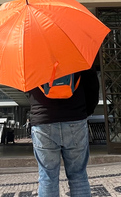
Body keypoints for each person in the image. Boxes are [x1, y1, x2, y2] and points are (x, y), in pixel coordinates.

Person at [27, 66, 99, 197]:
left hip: (43, 120)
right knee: (78, 175)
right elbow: (92, 85)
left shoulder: (29, 54)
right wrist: (84, 112)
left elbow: (25, 87)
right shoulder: (76, 50)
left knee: (47, 177)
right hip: (75, 117)